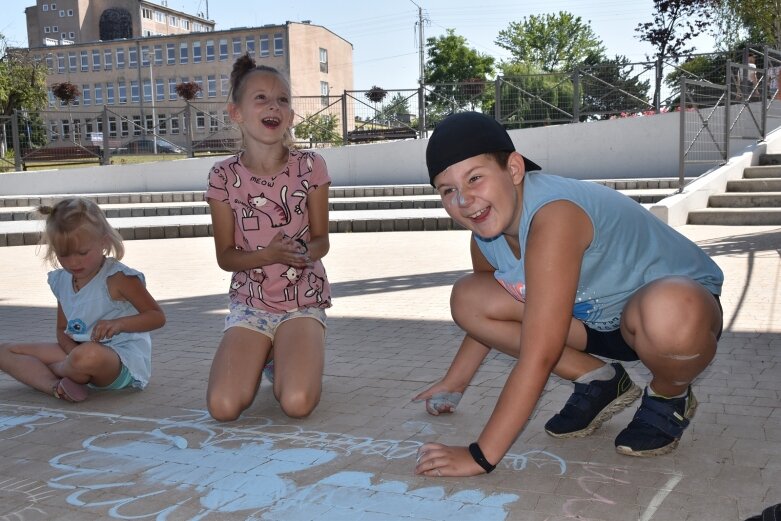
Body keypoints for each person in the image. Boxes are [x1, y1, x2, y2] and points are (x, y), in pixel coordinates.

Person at [413, 112, 723, 477]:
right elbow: (483, 315)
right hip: (596, 322)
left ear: (514, 169)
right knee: (469, 296)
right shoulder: (486, 233)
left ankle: (668, 395)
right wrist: (455, 381)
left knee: (669, 311)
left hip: (676, 313)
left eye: (475, 178)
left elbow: (539, 352)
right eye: (448, 190)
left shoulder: (554, 214)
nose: (465, 199)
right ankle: (600, 381)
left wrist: (482, 455)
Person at [205, 54, 332, 421]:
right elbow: (226, 257)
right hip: (251, 304)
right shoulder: (222, 176)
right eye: (260, 98)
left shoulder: (311, 166)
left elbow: (322, 240)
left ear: (290, 117)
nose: (274, 105)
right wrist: (268, 254)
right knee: (223, 408)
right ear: (237, 113)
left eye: (282, 100)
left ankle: (296, 347)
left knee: (296, 402)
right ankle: (267, 352)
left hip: (302, 301)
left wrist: (299, 252)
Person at [0, 197, 165, 402]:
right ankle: (55, 387)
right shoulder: (61, 281)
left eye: (82, 252)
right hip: (77, 355)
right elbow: (63, 330)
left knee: (88, 355)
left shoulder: (119, 278)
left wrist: (120, 323)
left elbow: (157, 317)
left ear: (104, 242)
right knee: (5, 351)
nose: (73, 262)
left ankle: (54, 370)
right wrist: (71, 354)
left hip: (119, 363)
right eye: (64, 255)